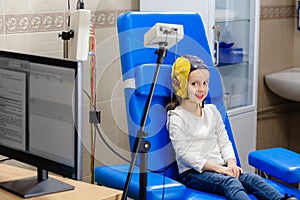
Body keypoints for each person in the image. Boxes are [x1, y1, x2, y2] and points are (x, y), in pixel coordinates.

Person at [166, 55, 297, 200]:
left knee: (252, 179)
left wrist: (231, 163)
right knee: (230, 182)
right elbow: (184, 155)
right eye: (194, 84)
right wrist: (220, 169)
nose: (201, 89)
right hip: (194, 173)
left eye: (205, 83)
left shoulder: (212, 111)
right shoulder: (176, 117)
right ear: (178, 84)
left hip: (222, 167)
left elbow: (224, 141)